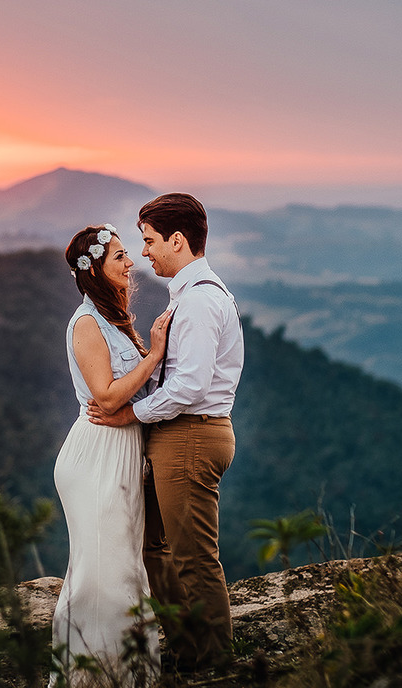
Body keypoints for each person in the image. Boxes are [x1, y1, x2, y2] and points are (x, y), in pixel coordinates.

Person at [88, 193, 244, 668]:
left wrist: (130, 415)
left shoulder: (198, 302)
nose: (144, 252)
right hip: (179, 435)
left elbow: (191, 387)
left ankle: (214, 663)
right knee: (155, 547)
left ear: (178, 240)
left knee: (192, 556)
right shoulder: (192, 296)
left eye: (150, 240)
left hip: (191, 435)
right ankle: (186, 647)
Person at [51, 223, 171, 686]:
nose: (131, 262)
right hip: (96, 456)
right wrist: (154, 354)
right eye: (120, 255)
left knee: (121, 565)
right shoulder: (85, 323)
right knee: (105, 571)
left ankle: (126, 670)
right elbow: (105, 397)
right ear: (96, 270)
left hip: (120, 453)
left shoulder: (114, 319)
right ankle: (95, 676)